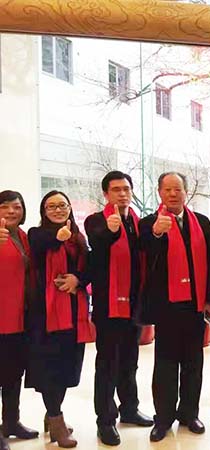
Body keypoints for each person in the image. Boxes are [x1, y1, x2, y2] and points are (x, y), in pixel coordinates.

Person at [139, 172, 210, 442]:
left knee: (194, 363)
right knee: (166, 365)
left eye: (178, 189)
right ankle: (163, 419)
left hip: (195, 305)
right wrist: (157, 233)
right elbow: (144, 253)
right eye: (167, 189)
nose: (173, 194)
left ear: (186, 192)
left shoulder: (201, 222)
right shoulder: (148, 223)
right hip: (166, 306)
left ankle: (190, 414)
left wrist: (209, 299)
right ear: (159, 192)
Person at [84, 171, 153, 446]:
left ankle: (129, 409)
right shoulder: (95, 221)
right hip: (109, 306)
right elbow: (97, 244)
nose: (122, 194)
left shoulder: (137, 221)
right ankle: (105, 420)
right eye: (116, 190)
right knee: (107, 364)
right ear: (106, 194)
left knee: (130, 361)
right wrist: (111, 231)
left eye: (126, 189)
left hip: (134, 305)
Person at [27, 190, 94, 448]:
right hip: (45, 316)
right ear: (44, 211)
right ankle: (56, 421)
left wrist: (78, 279)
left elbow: (89, 268)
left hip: (74, 312)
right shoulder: (37, 234)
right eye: (51, 206)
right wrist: (58, 237)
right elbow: (41, 245)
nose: (57, 209)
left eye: (62, 205)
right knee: (50, 370)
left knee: (67, 368)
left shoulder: (78, 238)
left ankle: (51, 414)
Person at [0, 191, 38, 450]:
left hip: (21, 317)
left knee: (13, 373)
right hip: (2, 316)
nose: (12, 211)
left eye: (17, 207)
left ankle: (11, 422)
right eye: (5, 207)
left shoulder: (24, 236)